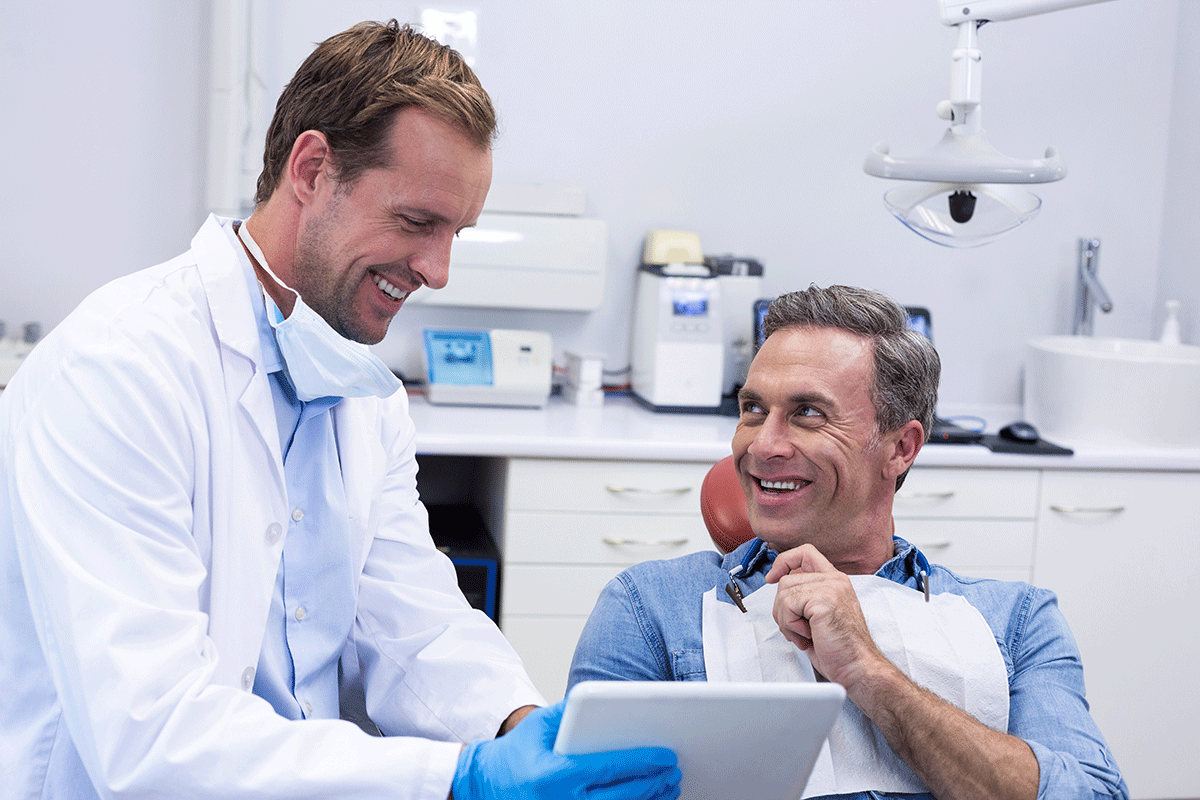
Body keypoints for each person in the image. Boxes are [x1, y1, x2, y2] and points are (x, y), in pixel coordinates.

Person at [0, 20, 679, 800]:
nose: (438, 270)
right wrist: (461, 778)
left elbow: (413, 621)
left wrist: (522, 730)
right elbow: (151, 739)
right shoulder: (117, 371)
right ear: (312, 168)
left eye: (455, 233)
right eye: (418, 222)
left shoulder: (359, 388)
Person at [568, 285, 1128, 800]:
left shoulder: (1016, 621)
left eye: (808, 414)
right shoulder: (651, 609)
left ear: (901, 448)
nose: (764, 445)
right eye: (752, 409)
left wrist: (866, 668)